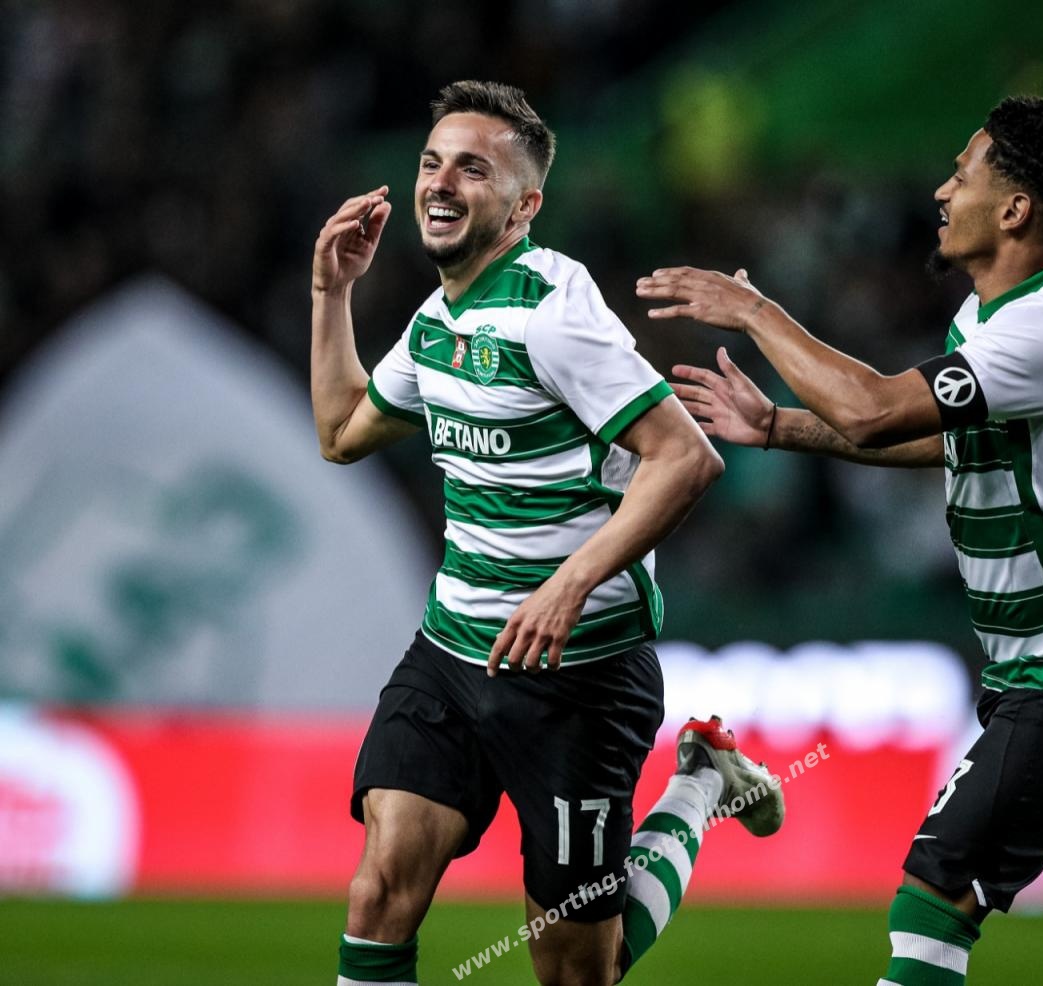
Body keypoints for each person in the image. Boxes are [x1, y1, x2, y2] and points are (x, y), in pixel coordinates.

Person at [638, 95, 1043, 985]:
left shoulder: (1041, 329)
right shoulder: (1007, 313)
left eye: (963, 174)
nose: (943, 192)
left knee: (933, 897)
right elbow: (947, 439)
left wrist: (753, 310)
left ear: (1014, 209)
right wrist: (780, 426)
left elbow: (871, 410)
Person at [310, 80, 784, 986]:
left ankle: (699, 786)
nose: (441, 183)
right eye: (432, 163)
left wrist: (567, 585)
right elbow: (340, 433)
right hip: (453, 655)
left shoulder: (554, 314)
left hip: (579, 675)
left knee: (575, 972)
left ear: (524, 205)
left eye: (472, 169)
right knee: (378, 894)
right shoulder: (437, 322)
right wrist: (331, 292)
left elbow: (685, 459)